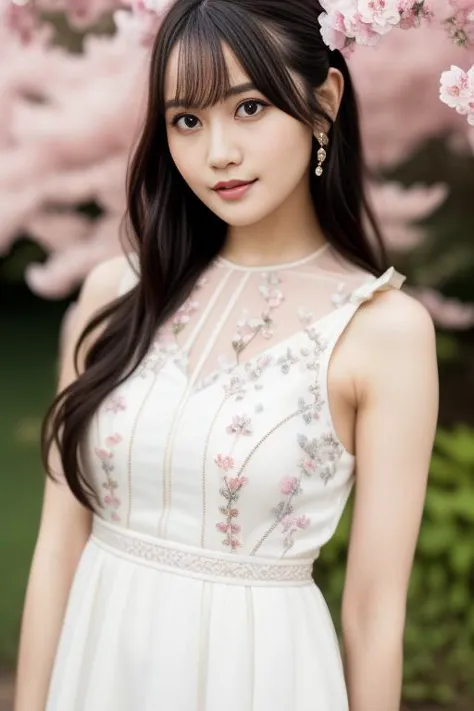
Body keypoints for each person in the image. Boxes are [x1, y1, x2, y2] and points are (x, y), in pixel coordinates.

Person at [14, 0, 439, 709]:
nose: (217, 153)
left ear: (323, 102)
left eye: (248, 109)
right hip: (97, 673)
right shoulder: (114, 296)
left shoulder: (382, 331)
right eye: (187, 120)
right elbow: (58, 545)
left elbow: (373, 613)